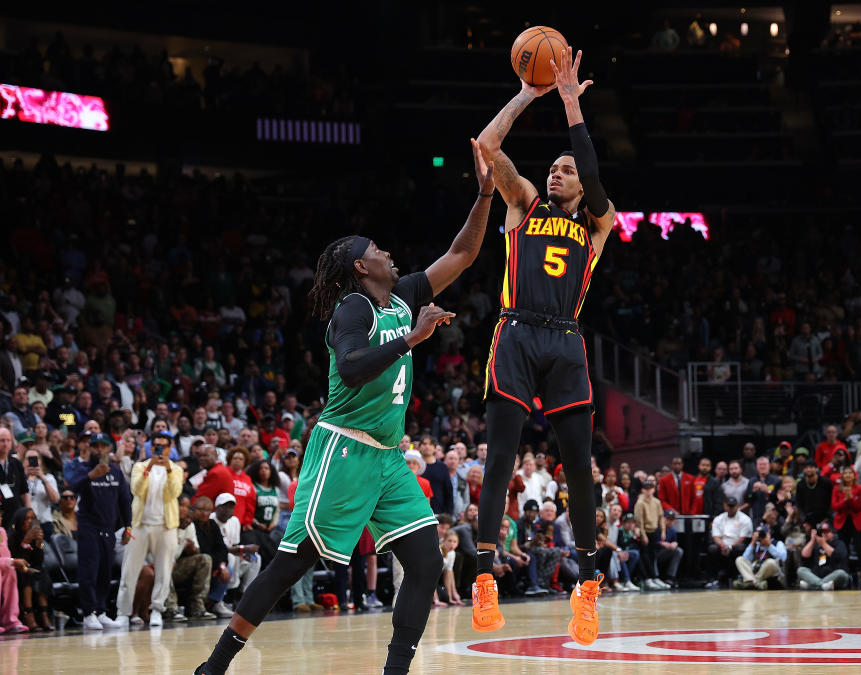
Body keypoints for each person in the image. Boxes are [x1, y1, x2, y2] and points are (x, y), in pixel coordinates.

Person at [196, 140, 495, 675]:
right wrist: (411, 340)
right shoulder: (351, 307)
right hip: (343, 449)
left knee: (426, 563)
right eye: (376, 247)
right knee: (293, 562)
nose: (387, 251)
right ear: (361, 265)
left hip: (386, 458)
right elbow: (353, 366)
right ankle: (214, 667)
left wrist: (485, 193)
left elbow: (463, 254)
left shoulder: (402, 296)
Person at [472, 46, 616, 646]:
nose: (557, 172)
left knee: (578, 467)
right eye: (553, 167)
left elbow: (591, 166)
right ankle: (483, 579)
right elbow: (486, 144)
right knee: (501, 456)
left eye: (566, 169)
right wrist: (530, 95)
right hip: (517, 330)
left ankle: (586, 587)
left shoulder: (598, 222)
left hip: (564, 341)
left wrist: (571, 105)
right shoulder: (522, 205)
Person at [116, 431, 183, 628]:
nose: (160, 450)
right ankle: (123, 612)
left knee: (163, 571)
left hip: (166, 526)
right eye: (156, 446)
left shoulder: (176, 469)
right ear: (151, 448)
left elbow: (174, 492)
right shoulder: (140, 466)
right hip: (140, 525)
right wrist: (151, 466)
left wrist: (168, 469)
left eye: (164, 446)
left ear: (170, 449)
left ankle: (156, 610)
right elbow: (136, 489)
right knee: (129, 570)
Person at [68, 432, 132, 630]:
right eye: (95, 446)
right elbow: (72, 487)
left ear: (109, 449)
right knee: (89, 572)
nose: (99, 449)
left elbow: (125, 501)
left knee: (105, 571)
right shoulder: (83, 469)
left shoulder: (115, 472)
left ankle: (101, 611)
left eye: (103, 446)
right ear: (90, 448)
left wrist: (128, 526)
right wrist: (90, 476)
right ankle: (88, 613)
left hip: (109, 528)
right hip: (88, 527)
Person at [708, 496, 753, 583]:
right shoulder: (719, 518)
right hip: (722, 544)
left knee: (740, 548)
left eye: (733, 506)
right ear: (724, 506)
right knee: (712, 549)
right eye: (729, 506)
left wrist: (730, 547)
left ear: (737, 506)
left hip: (736, 544)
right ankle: (713, 578)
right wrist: (723, 545)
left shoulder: (745, 519)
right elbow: (716, 537)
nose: (731, 508)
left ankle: (737, 575)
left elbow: (743, 538)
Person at [797, 522, 849, 590]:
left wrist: (823, 544)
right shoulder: (815, 544)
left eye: (827, 532)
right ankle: (822, 585)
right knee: (801, 570)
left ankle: (813, 585)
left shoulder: (839, 543)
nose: (824, 534)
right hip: (817, 575)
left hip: (833, 576)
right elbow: (804, 555)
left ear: (833, 533)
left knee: (841, 573)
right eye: (822, 532)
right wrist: (812, 540)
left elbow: (837, 556)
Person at [831, 466, 861, 564]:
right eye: (845, 473)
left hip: (857, 521)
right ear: (842, 476)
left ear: (854, 476)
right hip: (842, 521)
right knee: (843, 546)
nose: (847, 475)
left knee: (860, 547)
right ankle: (844, 569)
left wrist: (851, 499)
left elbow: (859, 507)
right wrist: (845, 500)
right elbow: (835, 507)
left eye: (850, 473)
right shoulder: (836, 489)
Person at [733, 525, 786, 590]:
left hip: (771, 570)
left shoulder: (777, 543)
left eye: (763, 534)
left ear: (768, 534)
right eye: (758, 534)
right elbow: (745, 558)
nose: (760, 536)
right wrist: (752, 543)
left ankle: (750, 582)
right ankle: (755, 583)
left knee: (770, 562)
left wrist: (769, 545)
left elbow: (783, 558)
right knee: (739, 559)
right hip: (756, 569)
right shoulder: (755, 544)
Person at [0, 427, 29, 529]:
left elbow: (24, 490)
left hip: (15, 512)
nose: (5, 443)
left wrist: (27, 511)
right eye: (2, 440)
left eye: (8, 440)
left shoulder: (16, 463)